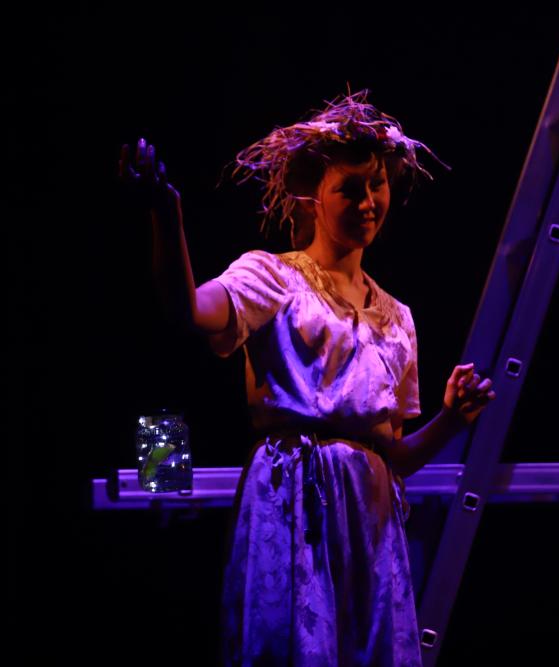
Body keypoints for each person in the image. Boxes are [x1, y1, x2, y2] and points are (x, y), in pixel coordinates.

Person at [118, 88, 496, 667]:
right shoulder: (274, 279)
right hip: (294, 500)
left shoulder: (397, 317)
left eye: (377, 185)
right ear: (313, 198)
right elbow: (187, 311)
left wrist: (451, 418)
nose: (368, 202)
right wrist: (165, 217)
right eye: (350, 188)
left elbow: (395, 456)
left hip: (369, 521)